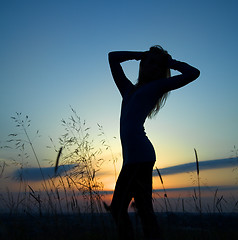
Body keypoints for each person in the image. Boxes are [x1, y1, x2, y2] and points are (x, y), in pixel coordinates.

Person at [108, 45, 200, 240]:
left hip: (140, 157)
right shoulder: (127, 90)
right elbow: (112, 58)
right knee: (143, 210)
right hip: (135, 158)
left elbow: (193, 73)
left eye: (159, 66)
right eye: (151, 63)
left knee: (118, 208)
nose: (155, 68)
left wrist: (170, 64)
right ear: (143, 65)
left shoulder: (157, 86)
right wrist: (140, 55)